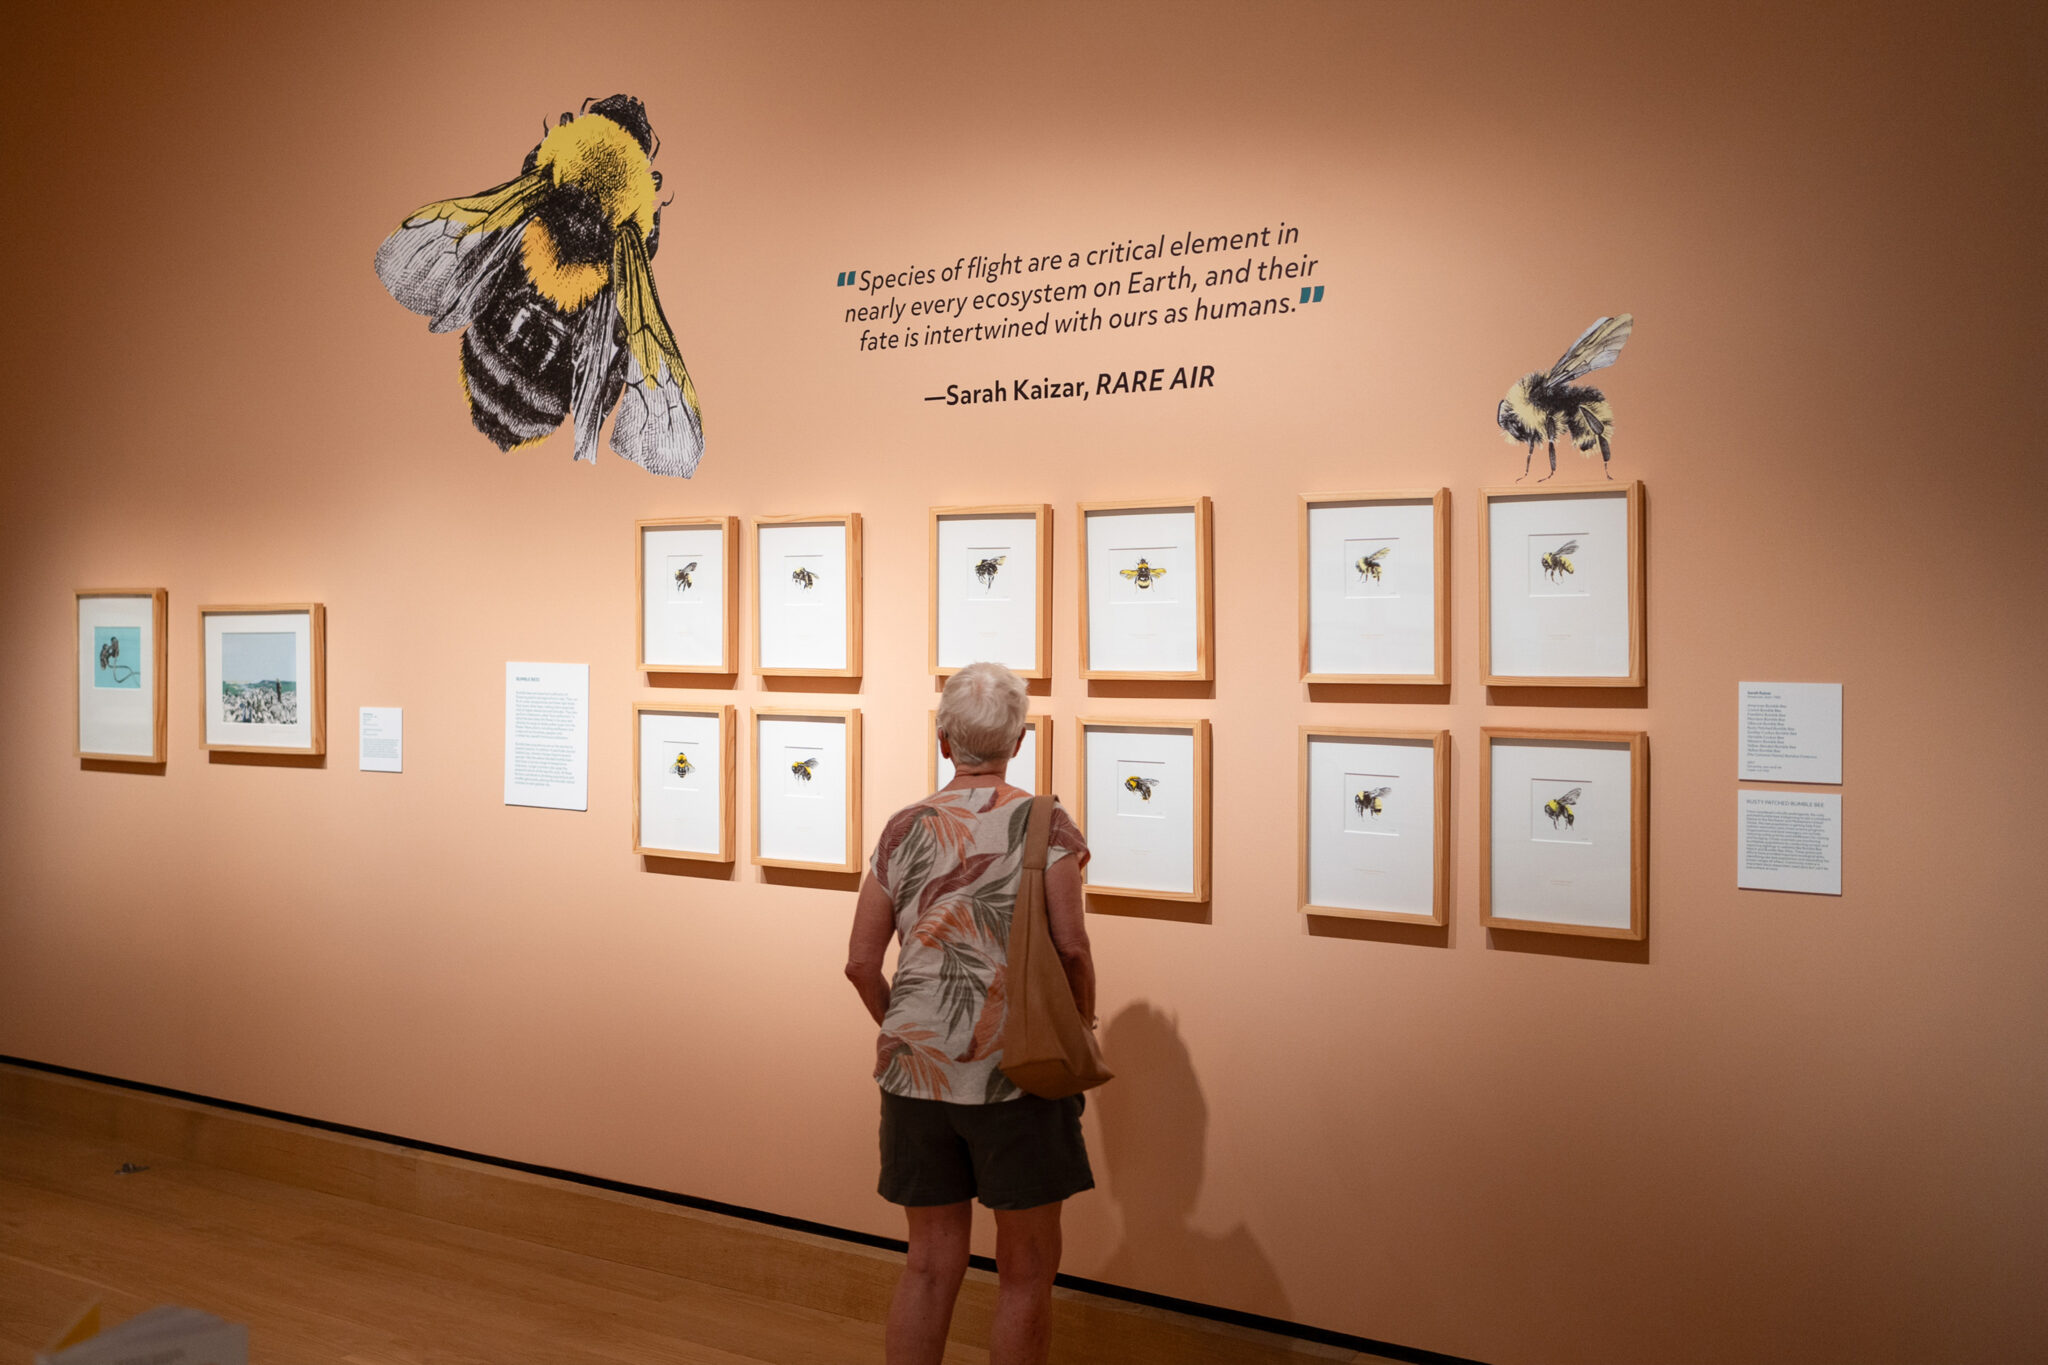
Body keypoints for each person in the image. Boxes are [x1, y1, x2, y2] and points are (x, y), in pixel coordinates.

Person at [845, 661, 1098, 1365]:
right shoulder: (1044, 823)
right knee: (1024, 1270)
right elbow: (1073, 947)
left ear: (942, 736)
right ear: (1020, 738)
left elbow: (861, 962)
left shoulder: (904, 827)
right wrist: (1084, 1025)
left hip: (913, 1074)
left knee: (927, 1264)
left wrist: (912, 1031)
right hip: (1015, 1070)